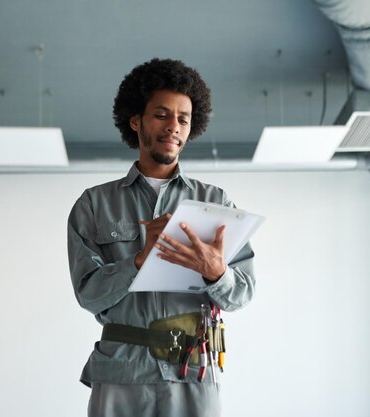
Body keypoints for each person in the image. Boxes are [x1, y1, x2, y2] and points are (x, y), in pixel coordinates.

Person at [67, 58, 256, 417]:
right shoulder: (93, 204)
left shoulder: (215, 203)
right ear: (135, 120)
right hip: (120, 372)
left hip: (194, 372)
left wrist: (217, 272)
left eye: (183, 119)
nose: (174, 127)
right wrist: (139, 260)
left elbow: (242, 293)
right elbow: (88, 295)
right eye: (161, 115)